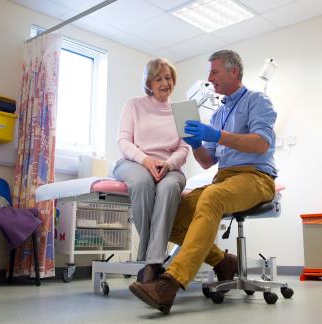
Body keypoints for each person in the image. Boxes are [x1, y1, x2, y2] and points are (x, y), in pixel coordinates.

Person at [129, 50, 277, 314]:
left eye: (214, 72)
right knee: (171, 217)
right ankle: (223, 262)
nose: (209, 78)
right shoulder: (219, 113)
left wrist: (218, 135)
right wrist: (196, 143)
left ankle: (168, 285)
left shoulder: (257, 100)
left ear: (234, 72)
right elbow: (208, 161)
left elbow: (261, 143)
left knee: (212, 197)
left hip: (256, 177)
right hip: (225, 178)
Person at [112, 58, 189, 284]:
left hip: (169, 167)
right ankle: (152, 260)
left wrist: (168, 165)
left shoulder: (181, 111)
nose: (165, 82)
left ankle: (151, 262)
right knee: (142, 183)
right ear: (149, 83)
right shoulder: (134, 104)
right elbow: (124, 141)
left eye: (168, 77)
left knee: (170, 186)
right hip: (134, 161)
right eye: (159, 78)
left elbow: (184, 148)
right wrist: (145, 160)